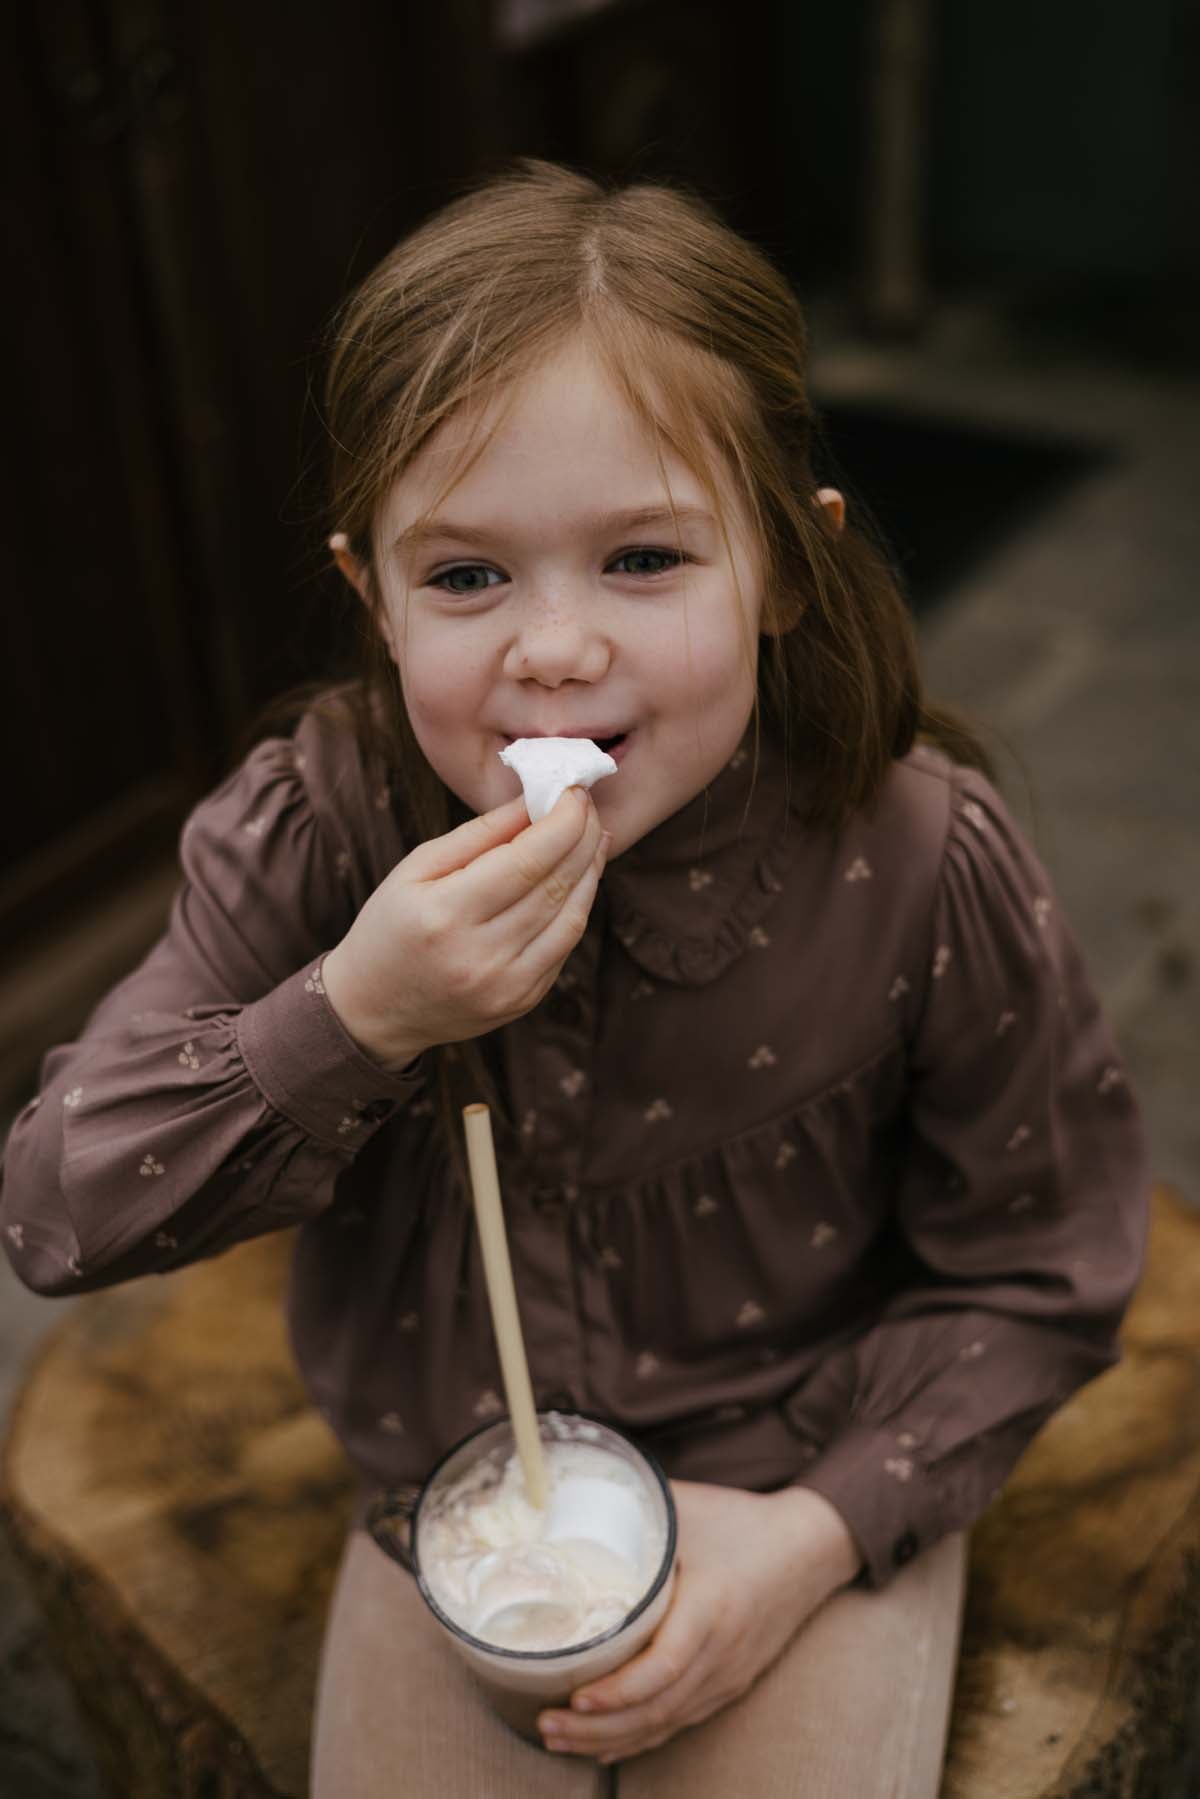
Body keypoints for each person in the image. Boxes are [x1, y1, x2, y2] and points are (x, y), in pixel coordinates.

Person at [1, 158, 1149, 1797]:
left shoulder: (914, 858)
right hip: (446, 1503)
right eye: (467, 576)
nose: (553, 648)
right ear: (373, 598)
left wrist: (821, 1536)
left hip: (808, 1479)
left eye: (644, 561)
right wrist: (356, 1017)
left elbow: (1046, 1265)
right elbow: (51, 1211)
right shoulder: (319, 830)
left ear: (785, 572)